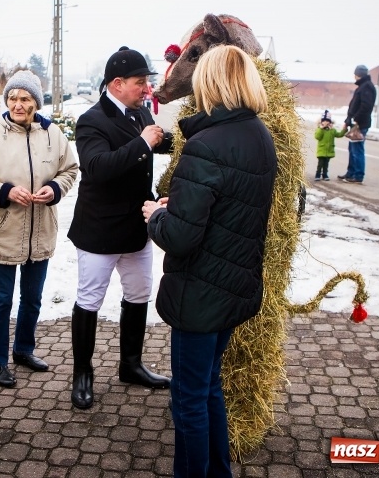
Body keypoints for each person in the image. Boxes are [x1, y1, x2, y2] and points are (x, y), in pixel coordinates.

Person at [141, 45, 277, 478]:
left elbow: (181, 236)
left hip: (201, 294)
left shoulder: (205, 144)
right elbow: (230, 208)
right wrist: (180, 205)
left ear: (210, 82)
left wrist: (158, 215)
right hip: (234, 286)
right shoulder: (259, 136)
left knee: (189, 400)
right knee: (209, 388)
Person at [67, 46, 173, 410]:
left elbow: (160, 141)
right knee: (90, 300)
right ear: (117, 83)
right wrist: (144, 142)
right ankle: (83, 374)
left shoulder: (140, 112)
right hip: (99, 230)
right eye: (140, 82)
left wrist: (194, 134)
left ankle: (131, 365)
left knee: (139, 294)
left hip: (137, 227)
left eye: (146, 81)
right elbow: (97, 167)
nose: (146, 89)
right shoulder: (91, 120)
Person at [0, 70, 78, 388]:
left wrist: (55, 189)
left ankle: (24, 350)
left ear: (36, 103)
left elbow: (70, 169)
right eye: (13, 98)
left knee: (32, 298)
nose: (18, 104)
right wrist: (5, 192)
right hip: (4, 231)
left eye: (25, 98)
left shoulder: (53, 134)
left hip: (40, 230)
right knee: (1, 299)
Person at [338, 64, 376, 184]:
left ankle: (358, 175)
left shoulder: (366, 87)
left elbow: (366, 106)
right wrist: (348, 120)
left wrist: (356, 120)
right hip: (355, 123)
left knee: (357, 149)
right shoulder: (363, 86)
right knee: (352, 149)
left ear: (358, 74)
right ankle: (351, 172)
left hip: (359, 124)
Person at [314, 109, 346, 181]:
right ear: (322, 122)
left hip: (329, 151)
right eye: (324, 121)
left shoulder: (332, 130)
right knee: (320, 164)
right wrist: (321, 129)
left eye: (327, 121)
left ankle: (325, 174)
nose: (326, 122)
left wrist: (344, 130)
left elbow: (339, 135)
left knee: (326, 165)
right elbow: (317, 137)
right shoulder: (320, 129)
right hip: (321, 151)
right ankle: (317, 174)